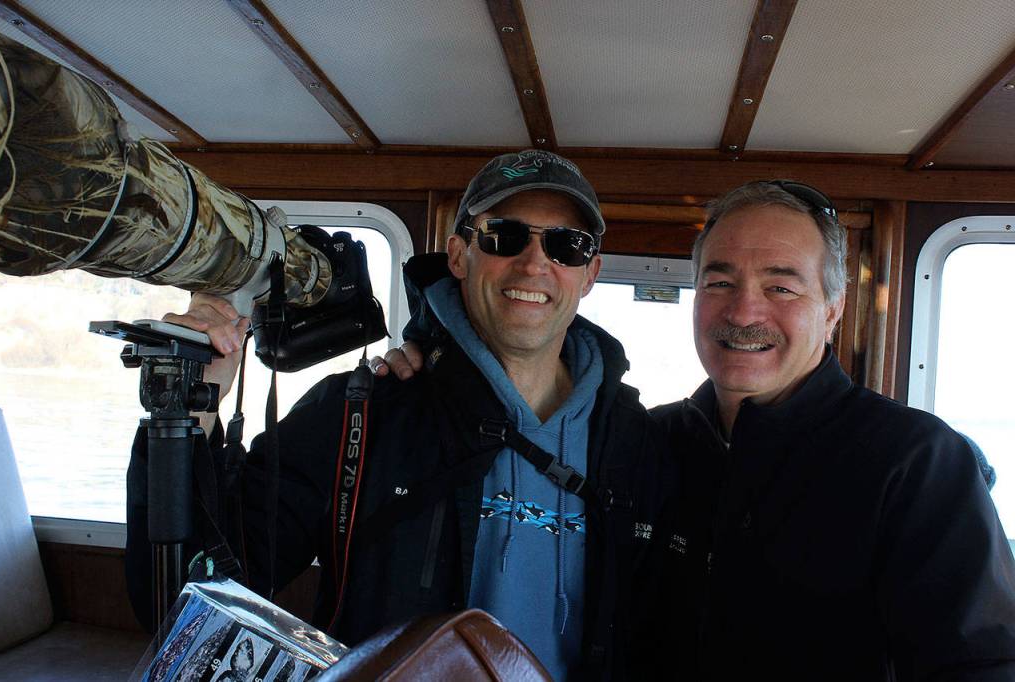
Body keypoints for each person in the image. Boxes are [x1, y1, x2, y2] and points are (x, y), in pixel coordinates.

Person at [127, 150, 672, 680]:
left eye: (566, 246)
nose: (535, 264)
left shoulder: (635, 443)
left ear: (591, 272)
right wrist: (186, 413)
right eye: (504, 236)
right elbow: (187, 597)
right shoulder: (358, 414)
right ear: (459, 256)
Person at [650, 180, 1015, 680]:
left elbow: (980, 666)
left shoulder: (916, 460)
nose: (742, 312)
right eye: (719, 283)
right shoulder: (650, 439)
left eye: (781, 287)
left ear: (832, 309)